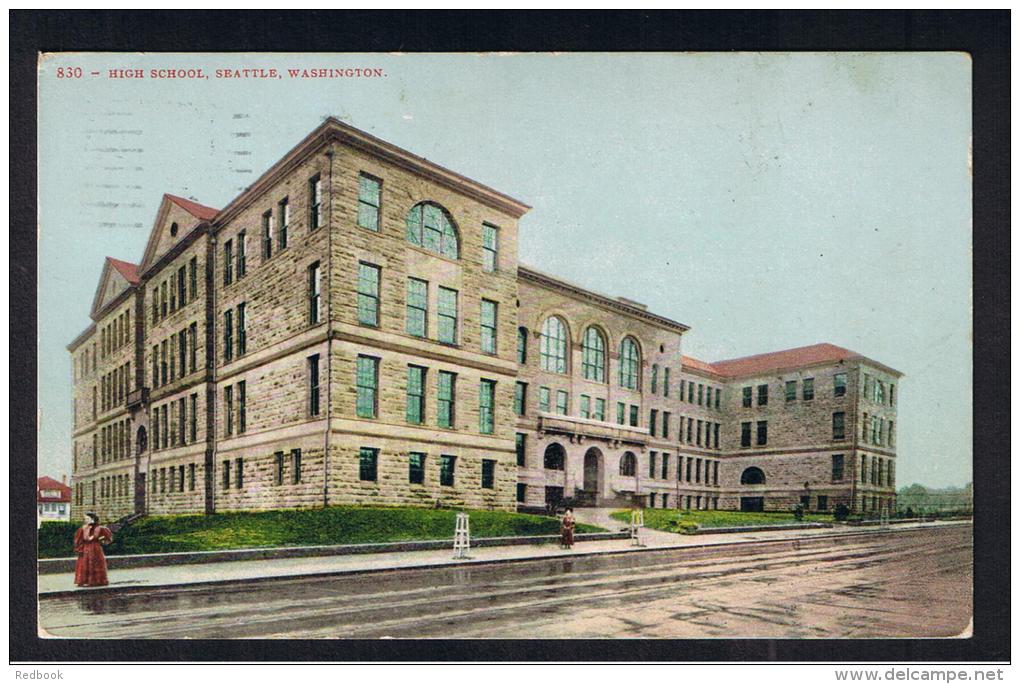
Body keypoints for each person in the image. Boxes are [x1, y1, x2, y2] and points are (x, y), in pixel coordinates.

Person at [74, 512, 113, 587]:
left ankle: (97, 580)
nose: (86, 520)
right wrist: (80, 548)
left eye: (88, 518)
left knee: (96, 563)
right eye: (85, 519)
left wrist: (101, 539)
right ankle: (85, 580)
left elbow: (108, 538)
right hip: (85, 548)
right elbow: (78, 540)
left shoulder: (100, 528)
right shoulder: (83, 528)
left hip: (96, 548)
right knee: (84, 563)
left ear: (93, 519)